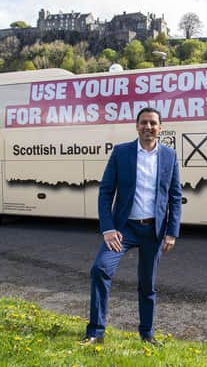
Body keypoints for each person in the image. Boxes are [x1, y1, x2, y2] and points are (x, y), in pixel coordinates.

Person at [83, 107, 182, 345]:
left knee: (147, 284)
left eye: (153, 123)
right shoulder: (121, 153)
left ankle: (147, 334)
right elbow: (106, 192)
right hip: (123, 230)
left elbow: (175, 196)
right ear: (136, 126)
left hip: (153, 231)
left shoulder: (169, 156)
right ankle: (96, 332)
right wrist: (108, 228)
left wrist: (171, 232)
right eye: (144, 123)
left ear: (160, 128)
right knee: (100, 269)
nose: (148, 127)